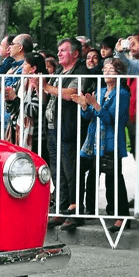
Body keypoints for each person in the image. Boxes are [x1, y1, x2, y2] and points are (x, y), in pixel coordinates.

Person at [71, 58, 131, 232]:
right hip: (94, 140)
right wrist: (84, 106)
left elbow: (112, 120)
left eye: (111, 70)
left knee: (114, 178)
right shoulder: (101, 89)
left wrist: (95, 105)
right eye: (105, 69)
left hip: (110, 141)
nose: (106, 73)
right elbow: (90, 116)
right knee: (82, 169)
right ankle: (80, 207)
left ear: (119, 74)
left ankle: (121, 216)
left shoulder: (122, 94)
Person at [42, 38, 88, 230]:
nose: (59, 53)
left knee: (71, 171)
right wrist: (40, 87)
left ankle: (75, 212)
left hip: (69, 128)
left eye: (63, 50)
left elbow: (72, 93)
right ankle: (61, 210)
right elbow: (49, 93)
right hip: (53, 128)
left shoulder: (81, 71)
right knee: (57, 171)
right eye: (58, 50)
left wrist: (47, 87)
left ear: (75, 53)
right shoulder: (60, 72)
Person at [5, 52, 45, 153]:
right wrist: (8, 99)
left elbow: (34, 110)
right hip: (16, 133)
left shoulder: (39, 85)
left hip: (35, 138)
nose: (22, 66)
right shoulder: (20, 83)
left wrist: (15, 99)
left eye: (25, 64)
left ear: (33, 69)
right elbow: (10, 109)